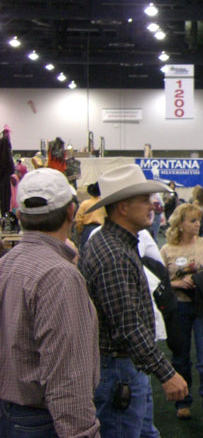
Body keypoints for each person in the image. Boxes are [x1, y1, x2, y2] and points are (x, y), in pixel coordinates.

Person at [79, 164, 188, 437]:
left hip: (122, 367)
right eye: (144, 200)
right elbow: (128, 327)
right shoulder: (114, 254)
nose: (153, 205)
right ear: (123, 208)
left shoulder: (113, 243)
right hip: (119, 368)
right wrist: (166, 373)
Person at [0, 168, 101, 437]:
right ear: (71, 212)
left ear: (20, 216)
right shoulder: (60, 276)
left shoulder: (6, 265)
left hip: (11, 413)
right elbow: (68, 377)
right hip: (40, 421)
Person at [160, 203, 203, 427]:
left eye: (198, 220)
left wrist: (199, 280)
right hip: (178, 308)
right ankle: (183, 403)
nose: (198, 224)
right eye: (193, 221)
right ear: (180, 224)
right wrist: (177, 283)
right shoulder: (166, 250)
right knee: (181, 357)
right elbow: (158, 282)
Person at [75, 181, 106, 249]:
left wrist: (80, 230)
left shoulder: (85, 204)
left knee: (86, 249)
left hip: (88, 229)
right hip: (101, 228)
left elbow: (79, 219)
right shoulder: (104, 204)